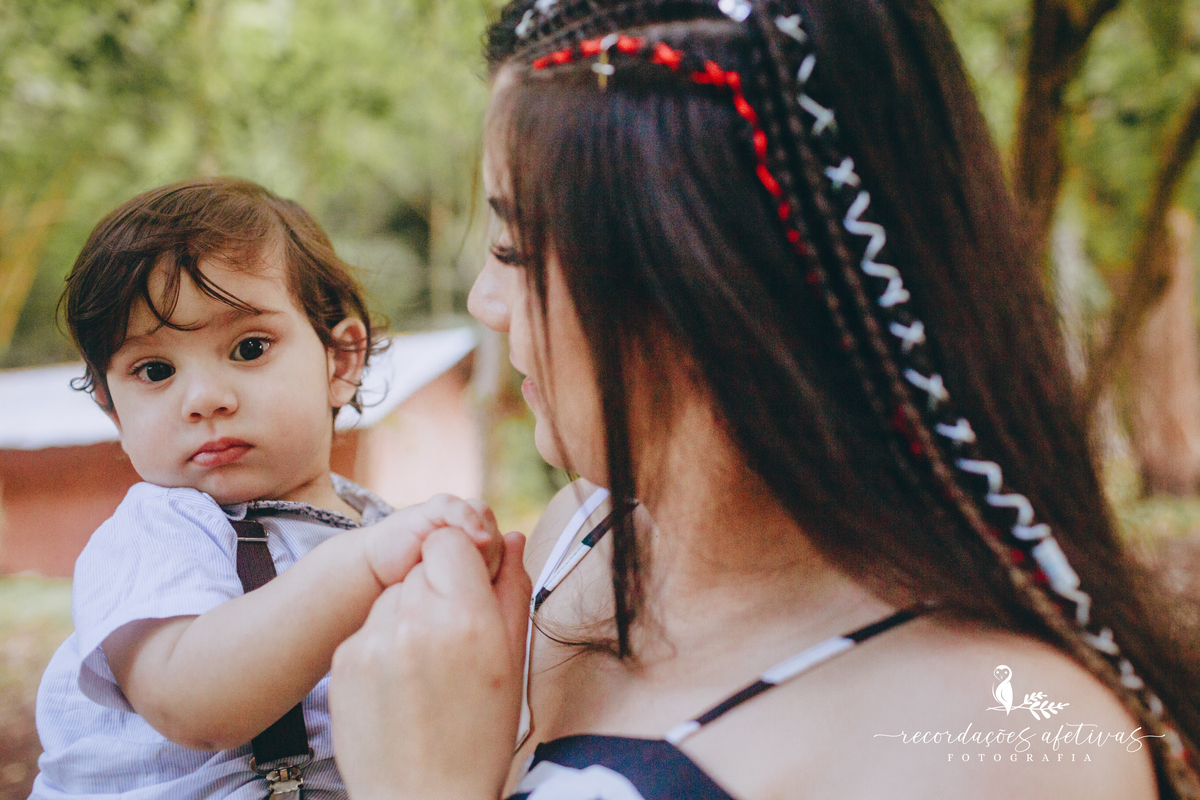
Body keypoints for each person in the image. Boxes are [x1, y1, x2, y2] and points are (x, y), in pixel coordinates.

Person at [329, 1, 1200, 799]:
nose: (485, 299)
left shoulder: (1008, 742)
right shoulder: (572, 544)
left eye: (516, 249)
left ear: (699, 279)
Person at [30, 177, 506, 800]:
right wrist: (362, 566)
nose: (204, 400)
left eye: (249, 348)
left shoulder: (373, 523)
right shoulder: (161, 529)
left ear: (341, 362)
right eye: (155, 370)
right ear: (114, 412)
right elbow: (191, 702)